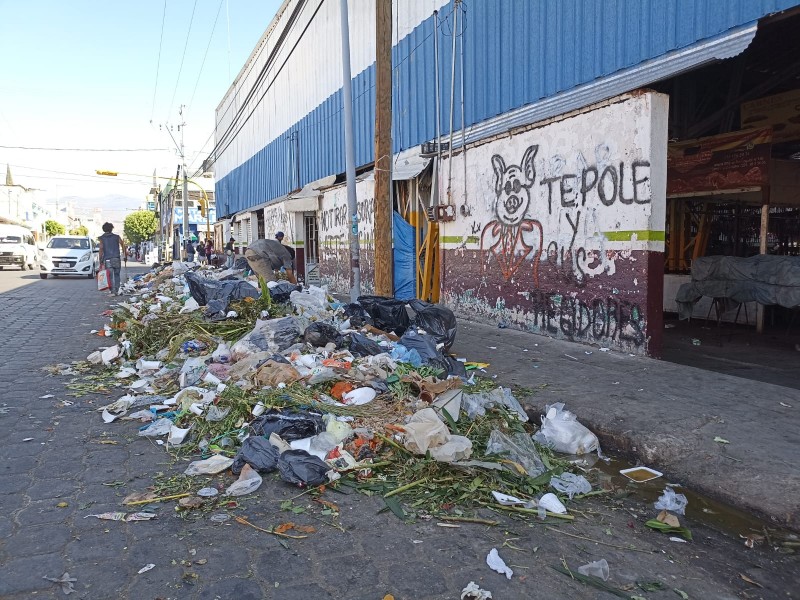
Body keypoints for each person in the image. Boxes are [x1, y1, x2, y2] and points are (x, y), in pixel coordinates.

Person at [98, 222, 126, 295]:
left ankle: (112, 291)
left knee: (110, 276)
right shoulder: (116, 237)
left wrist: (100, 259)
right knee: (117, 274)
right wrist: (124, 254)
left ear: (103, 229)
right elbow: (122, 244)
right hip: (116, 258)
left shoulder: (102, 238)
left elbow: (101, 248)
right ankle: (117, 290)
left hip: (107, 259)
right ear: (111, 229)